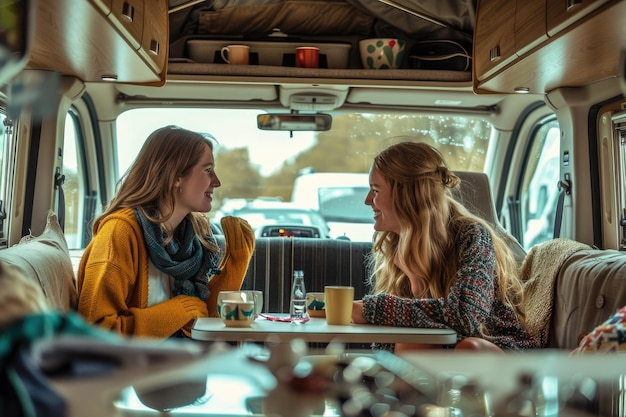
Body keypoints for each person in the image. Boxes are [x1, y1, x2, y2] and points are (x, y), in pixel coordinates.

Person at [351, 141, 539, 352]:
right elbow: (391, 341)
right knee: (410, 344)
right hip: (439, 359)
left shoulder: (472, 237)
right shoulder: (394, 243)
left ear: (406, 195)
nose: (368, 201)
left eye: (375, 190)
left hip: (495, 349)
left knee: (468, 348)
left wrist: (373, 309)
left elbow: (465, 316)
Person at [77, 126, 254, 338]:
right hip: (136, 370)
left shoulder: (190, 234)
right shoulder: (120, 233)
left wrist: (235, 263)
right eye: (207, 170)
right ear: (176, 177)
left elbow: (200, 315)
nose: (216, 181)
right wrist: (176, 311)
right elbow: (95, 332)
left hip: (179, 360)